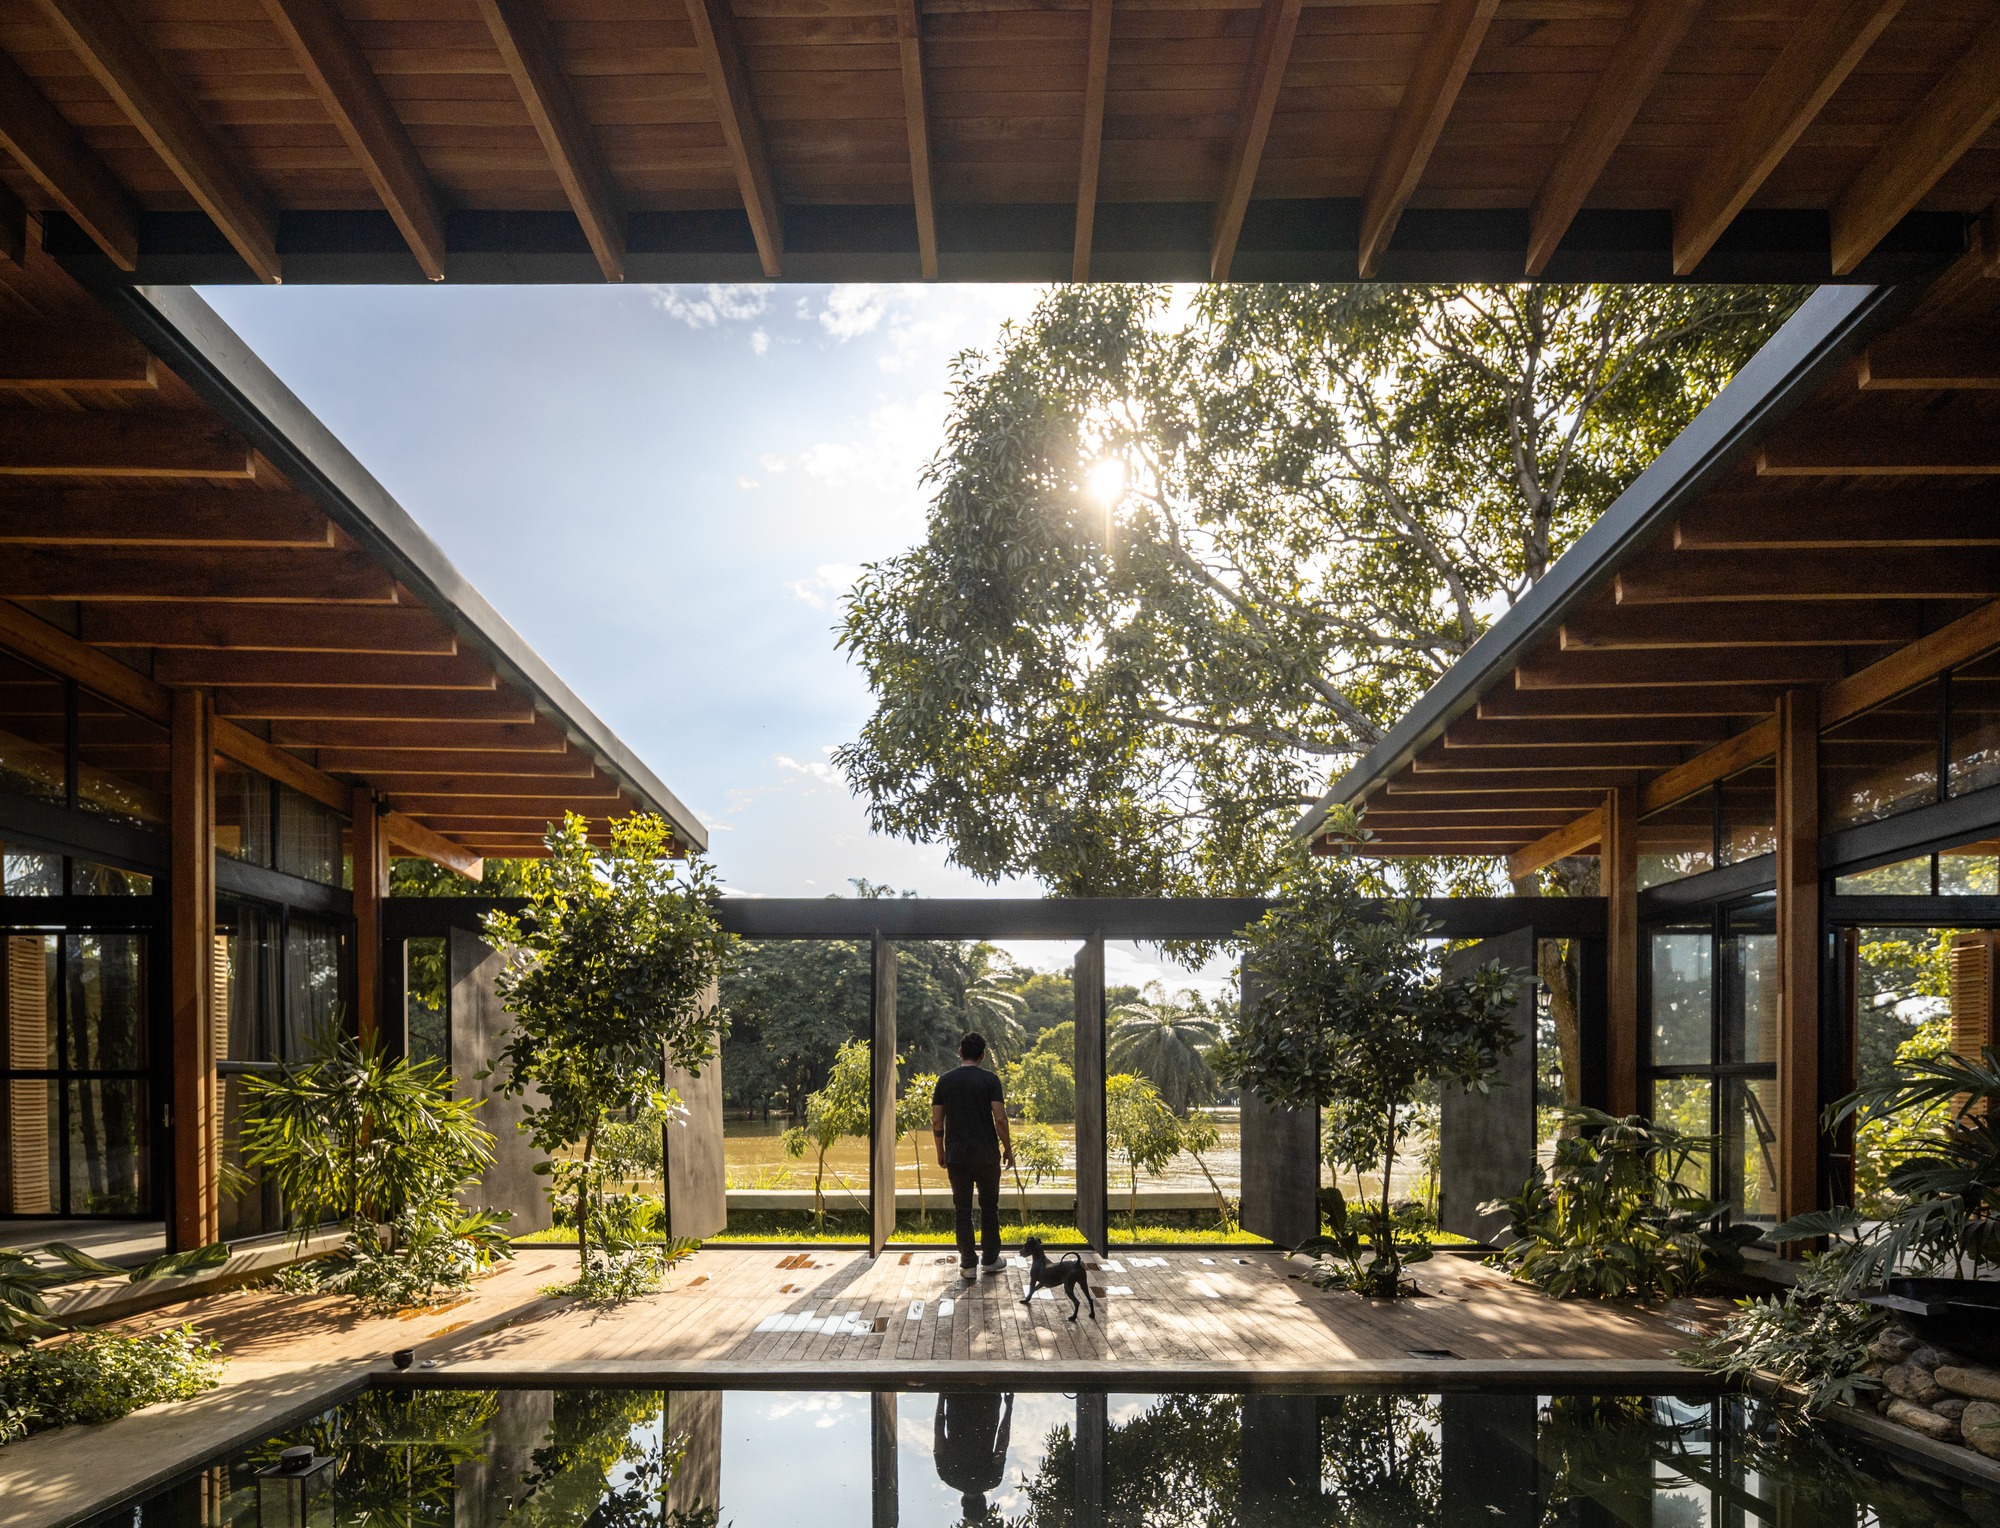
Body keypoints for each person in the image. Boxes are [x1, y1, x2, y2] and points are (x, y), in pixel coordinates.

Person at [932, 1031, 1013, 1275]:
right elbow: (1000, 1118)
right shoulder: (990, 1080)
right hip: (987, 1154)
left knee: (962, 1209)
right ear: (982, 1055)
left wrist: (941, 1151)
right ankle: (990, 1259)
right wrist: (1007, 1148)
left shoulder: (944, 1081)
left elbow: (937, 1122)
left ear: (960, 1052)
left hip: (956, 1154)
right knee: (989, 1207)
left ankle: (968, 1264)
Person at [934, 1391, 1012, 1524]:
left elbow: (1002, 1442)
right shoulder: (947, 1476)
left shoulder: (992, 1480)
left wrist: (1009, 1407)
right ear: (963, 1502)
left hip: (988, 1403)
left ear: (984, 1501)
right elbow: (939, 1431)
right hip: (957, 1402)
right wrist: (942, 1395)